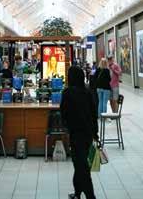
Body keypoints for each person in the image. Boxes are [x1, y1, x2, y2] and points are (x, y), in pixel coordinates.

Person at [60, 66, 98, 199]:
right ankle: (77, 193)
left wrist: (67, 127)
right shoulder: (87, 92)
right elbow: (94, 114)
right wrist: (95, 133)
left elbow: (63, 113)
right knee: (79, 164)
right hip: (88, 134)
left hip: (75, 134)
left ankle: (90, 196)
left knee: (81, 167)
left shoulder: (67, 93)